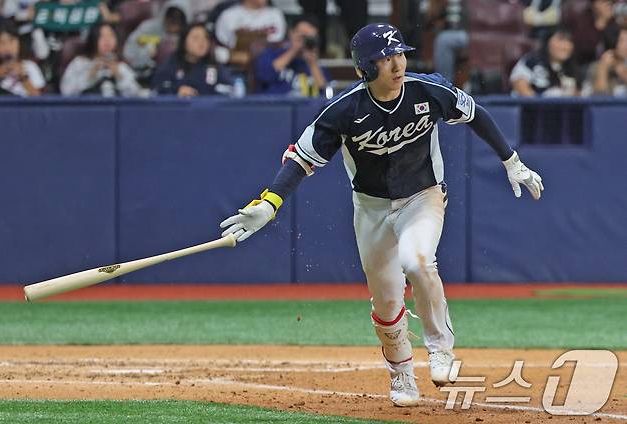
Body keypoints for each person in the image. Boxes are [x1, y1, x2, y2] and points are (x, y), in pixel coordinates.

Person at [219, 23, 544, 407]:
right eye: (384, 58)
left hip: (423, 197)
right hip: (371, 209)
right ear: (365, 67)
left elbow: (477, 115)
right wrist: (269, 203)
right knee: (387, 302)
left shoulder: (429, 89)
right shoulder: (344, 110)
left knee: (419, 261)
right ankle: (402, 374)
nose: (396, 64)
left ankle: (441, 348)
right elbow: (301, 159)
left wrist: (512, 161)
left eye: (399, 54)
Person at [152, 23, 233, 96]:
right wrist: (176, 91)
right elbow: (159, 86)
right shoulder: (172, 63)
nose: (202, 42)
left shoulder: (213, 65)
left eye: (205, 38)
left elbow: (228, 88)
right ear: (184, 42)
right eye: (195, 38)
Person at [60, 23, 141, 97]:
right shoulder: (80, 63)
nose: (107, 40)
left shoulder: (121, 66)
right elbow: (66, 92)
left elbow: (137, 95)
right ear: (93, 39)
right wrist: (90, 75)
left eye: (111, 35)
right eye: (102, 36)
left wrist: (119, 75)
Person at [254, 17, 329, 96]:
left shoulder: (317, 64)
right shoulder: (271, 53)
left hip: (307, 106)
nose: (305, 41)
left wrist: (312, 64)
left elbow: (324, 93)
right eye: (302, 36)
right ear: (291, 33)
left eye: (310, 38)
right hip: (276, 105)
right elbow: (265, 76)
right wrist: (293, 50)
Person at [123, 0, 192, 73]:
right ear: (165, 16)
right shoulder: (148, 28)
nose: (172, 29)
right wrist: (147, 52)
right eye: (170, 21)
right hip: (142, 71)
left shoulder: (189, 36)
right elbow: (128, 54)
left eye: (177, 24)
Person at [214, 0, 286, 67]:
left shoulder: (275, 14)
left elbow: (277, 43)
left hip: (267, 63)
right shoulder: (228, 15)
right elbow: (221, 44)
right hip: (236, 64)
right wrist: (232, 56)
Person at [510, 27, 578, 96]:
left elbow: (579, 96)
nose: (565, 46)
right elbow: (522, 88)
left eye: (569, 41)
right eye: (560, 40)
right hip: (532, 105)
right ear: (547, 42)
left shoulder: (572, 68)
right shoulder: (531, 61)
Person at [584, 27, 627, 96]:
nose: (626, 45)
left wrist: (621, 70)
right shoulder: (596, 67)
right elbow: (601, 97)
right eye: (622, 40)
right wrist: (603, 68)